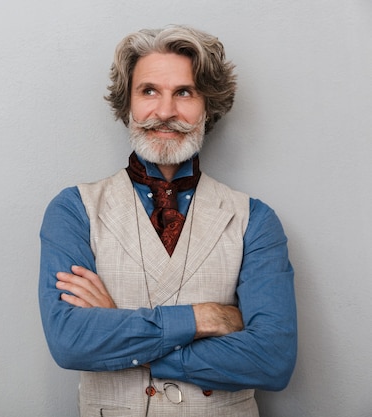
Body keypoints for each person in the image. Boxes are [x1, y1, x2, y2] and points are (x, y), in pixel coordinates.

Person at [38, 25, 297, 416]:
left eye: (184, 92)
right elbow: (70, 342)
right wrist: (204, 317)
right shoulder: (74, 210)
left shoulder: (254, 220)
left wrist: (119, 334)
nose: (164, 111)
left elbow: (272, 359)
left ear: (208, 106)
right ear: (128, 104)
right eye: (148, 91)